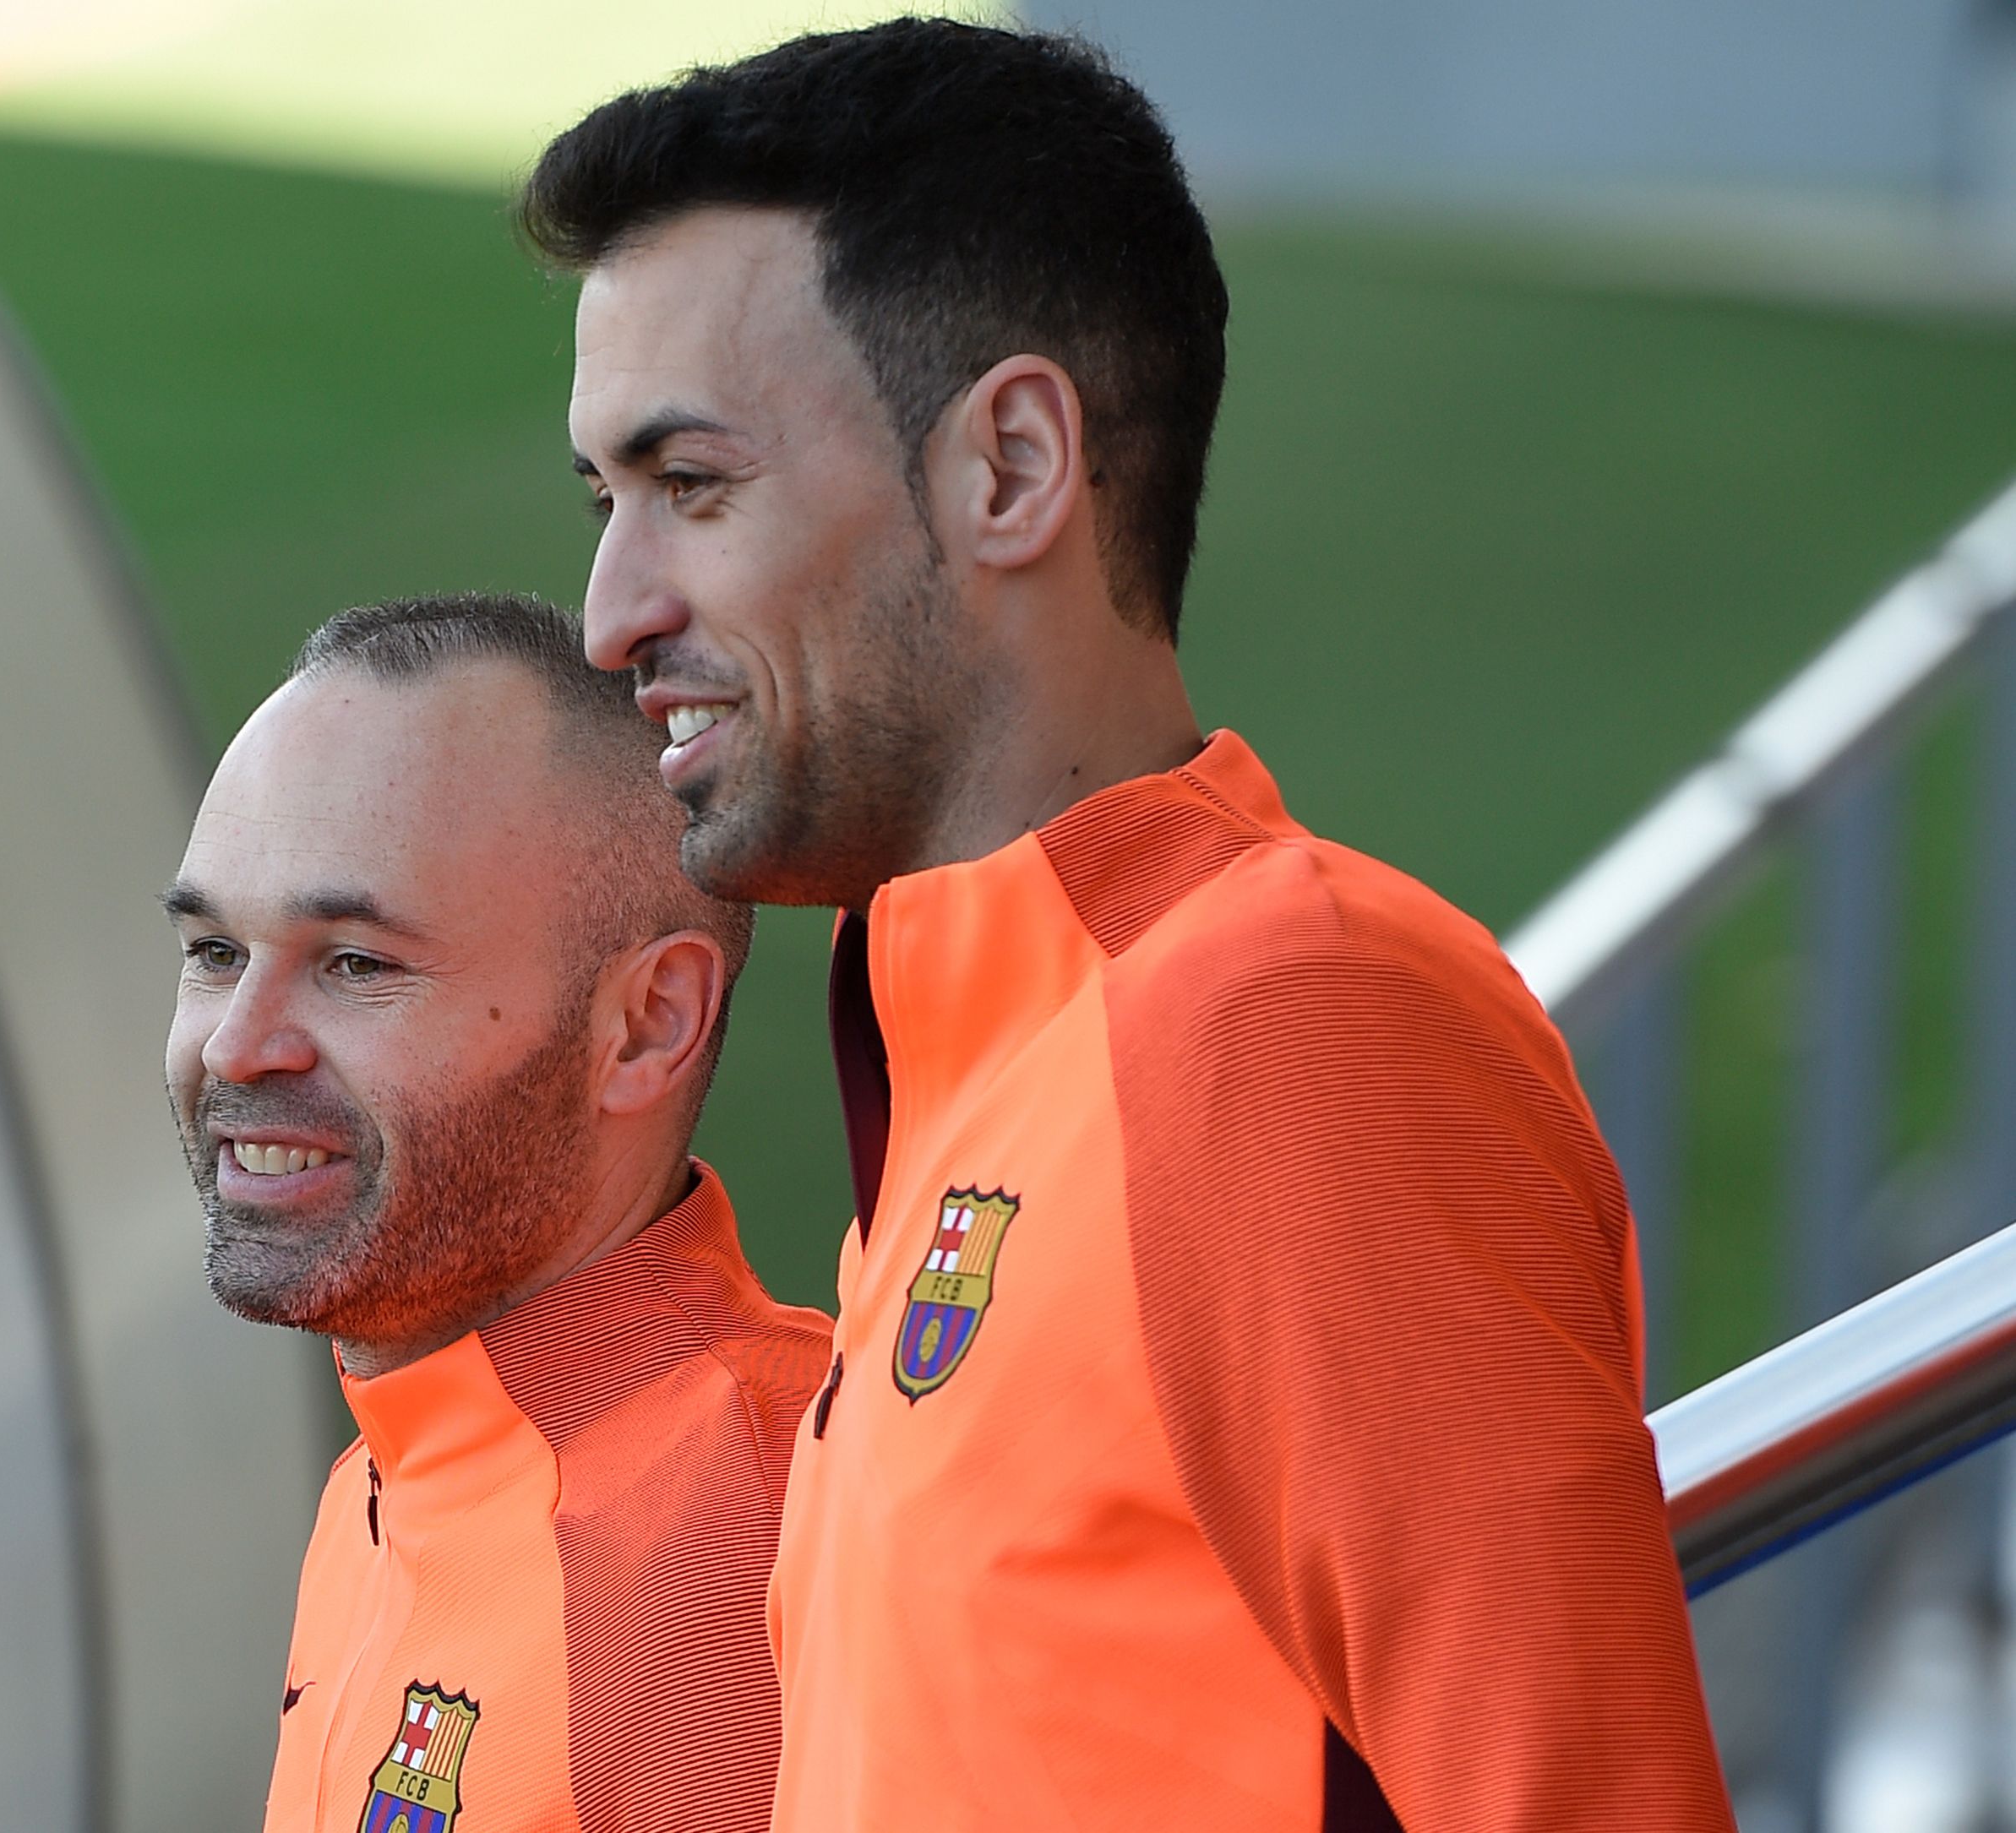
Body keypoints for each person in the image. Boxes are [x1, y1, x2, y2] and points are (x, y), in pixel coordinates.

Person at [526, 20, 1733, 1832]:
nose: (612, 609)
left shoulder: (1289, 1023)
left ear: (1009, 467)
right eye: (603, 500)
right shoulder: (981, 1053)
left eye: (689, 486)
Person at [165, 593, 831, 1833]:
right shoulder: (389, 1475)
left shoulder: (752, 1541)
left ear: (645, 1024)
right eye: (213, 952)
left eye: (356, 962)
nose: (236, 1045)